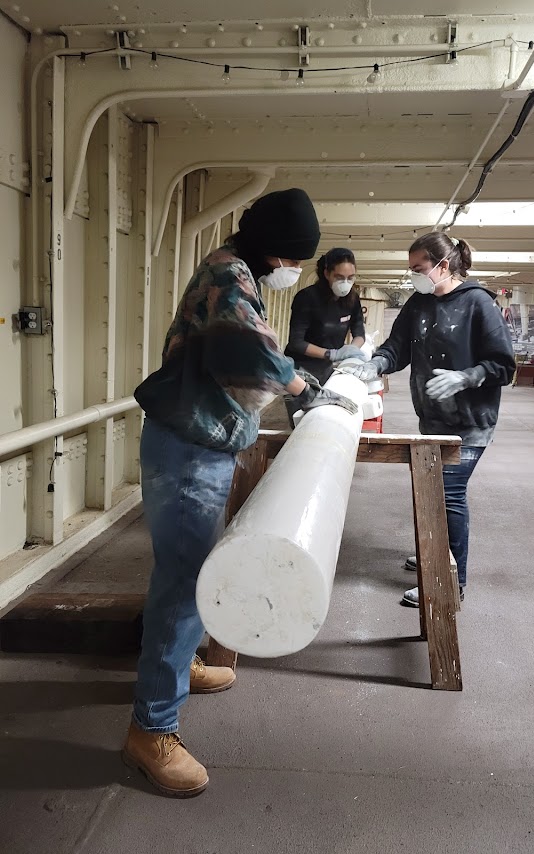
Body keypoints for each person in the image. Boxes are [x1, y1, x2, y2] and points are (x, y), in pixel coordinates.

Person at [123, 188, 357, 798]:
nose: (294, 272)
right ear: (277, 252)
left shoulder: (236, 271)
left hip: (200, 444)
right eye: (294, 261)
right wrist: (305, 388)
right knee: (182, 582)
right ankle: (152, 731)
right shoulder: (229, 277)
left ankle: (178, 667)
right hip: (187, 451)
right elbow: (251, 354)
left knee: (190, 572)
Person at [340, 232, 515, 606]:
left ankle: (450, 584)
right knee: (430, 492)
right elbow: (396, 348)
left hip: (469, 422)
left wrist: (466, 377)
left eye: (419, 268)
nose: (413, 275)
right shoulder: (419, 303)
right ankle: (436, 554)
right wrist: (373, 365)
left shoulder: (478, 304)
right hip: (432, 417)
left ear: (443, 265)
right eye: (411, 269)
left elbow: (504, 364)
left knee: (448, 496)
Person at [285, 247, 367, 387]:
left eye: (350, 278)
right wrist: (331, 354)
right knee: (303, 406)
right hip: (301, 367)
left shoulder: (352, 299)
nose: (345, 283)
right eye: (339, 277)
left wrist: (351, 349)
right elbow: (296, 342)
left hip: (329, 367)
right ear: (327, 274)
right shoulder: (307, 298)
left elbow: (359, 332)